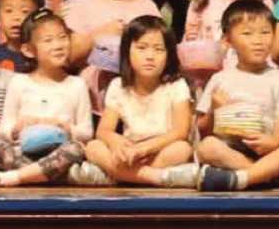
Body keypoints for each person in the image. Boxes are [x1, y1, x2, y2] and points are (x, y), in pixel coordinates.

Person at [192, 0, 279, 191]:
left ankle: (242, 178)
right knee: (207, 146)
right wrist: (214, 109)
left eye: (265, 32)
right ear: (228, 40)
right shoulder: (219, 79)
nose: (258, 41)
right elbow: (204, 130)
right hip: (232, 150)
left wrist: (273, 143)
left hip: (271, 150)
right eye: (247, 34)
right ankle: (272, 176)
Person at [0, 10, 92, 187]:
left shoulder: (77, 84)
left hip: (59, 152)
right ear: (28, 50)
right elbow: (4, 129)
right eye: (48, 40)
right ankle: (46, 175)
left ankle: (12, 177)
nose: (58, 45)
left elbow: (87, 132)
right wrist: (16, 128)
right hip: (24, 152)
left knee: (76, 150)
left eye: (62, 37)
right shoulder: (19, 82)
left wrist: (65, 127)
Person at [74, 17, 197, 188]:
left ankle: (115, 175)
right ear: (127, 52)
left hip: (159, 148)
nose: (150, 56)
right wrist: (116, 142)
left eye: (159, 49)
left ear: (169, 56)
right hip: (128, 151)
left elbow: (180, 132)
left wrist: (145, 148)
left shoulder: (176, 85)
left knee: (182, 149)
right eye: (141, 48)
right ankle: (155, 177)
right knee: (94, 147)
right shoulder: (118, 85)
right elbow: (104, 130)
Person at [61, 0, 161, 111]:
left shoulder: (146, 5)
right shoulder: (80, 6)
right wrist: (98, 36)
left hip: (139, 100)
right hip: (92, 101)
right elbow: (68, 56)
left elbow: (161, 49)